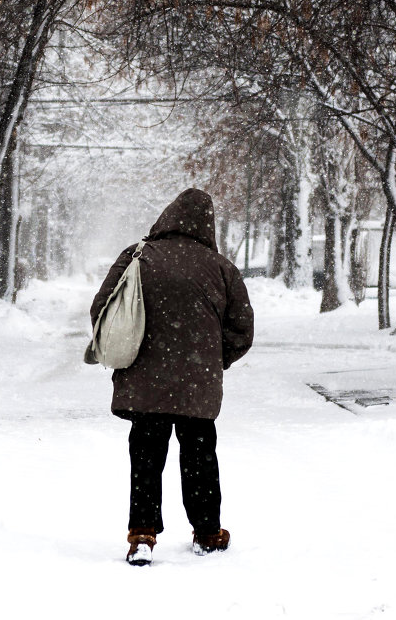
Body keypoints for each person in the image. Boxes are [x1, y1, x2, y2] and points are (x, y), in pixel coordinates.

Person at [89, 188, 255, 566]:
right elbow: (242, 330)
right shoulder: (221, 267)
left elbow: (102, 308)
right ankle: (208, 532)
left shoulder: (137, 256)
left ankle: (142, 535)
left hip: (145, 381)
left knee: (146, 456)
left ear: (167, 216)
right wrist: (212, 360)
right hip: (199, 384)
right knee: (199, 456)